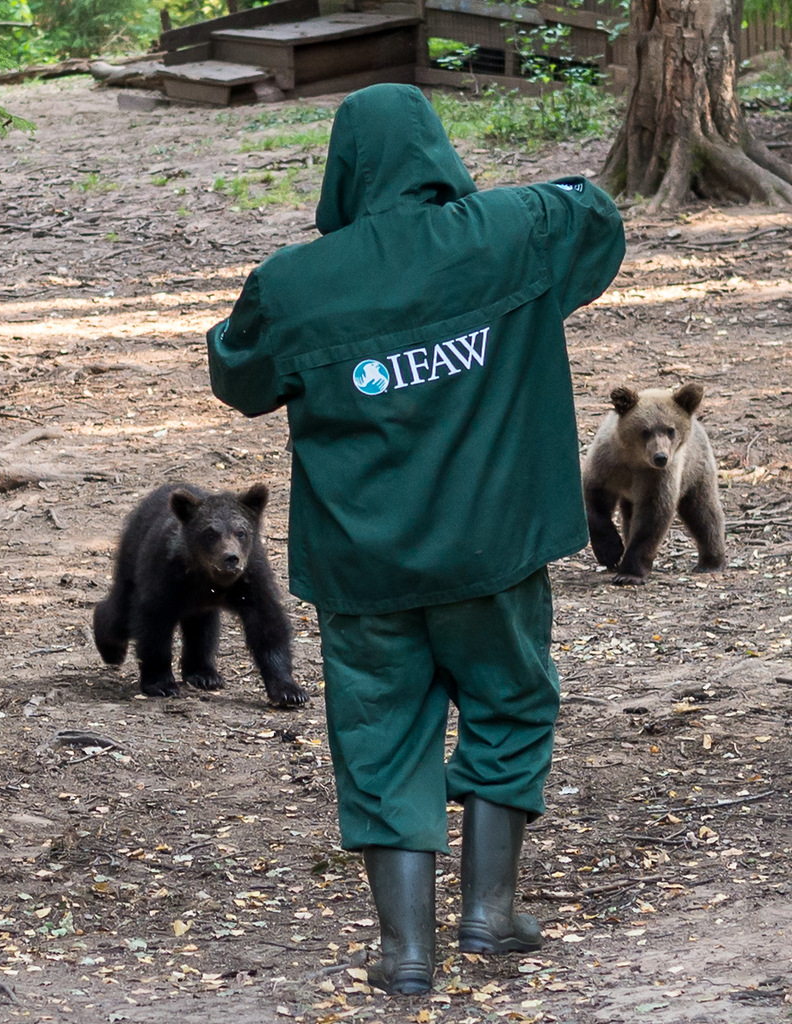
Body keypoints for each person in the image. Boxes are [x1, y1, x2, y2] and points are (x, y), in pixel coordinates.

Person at [206, 83, 625, 994]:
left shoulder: (293, 283)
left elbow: (237, 373)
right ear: (436, 148)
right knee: (510, 704)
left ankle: (406, 955)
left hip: (366, 568)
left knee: (379, 736)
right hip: (491, 552)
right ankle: (490, 911)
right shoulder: (518, 231)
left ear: (344, 169)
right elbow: (595, 213)